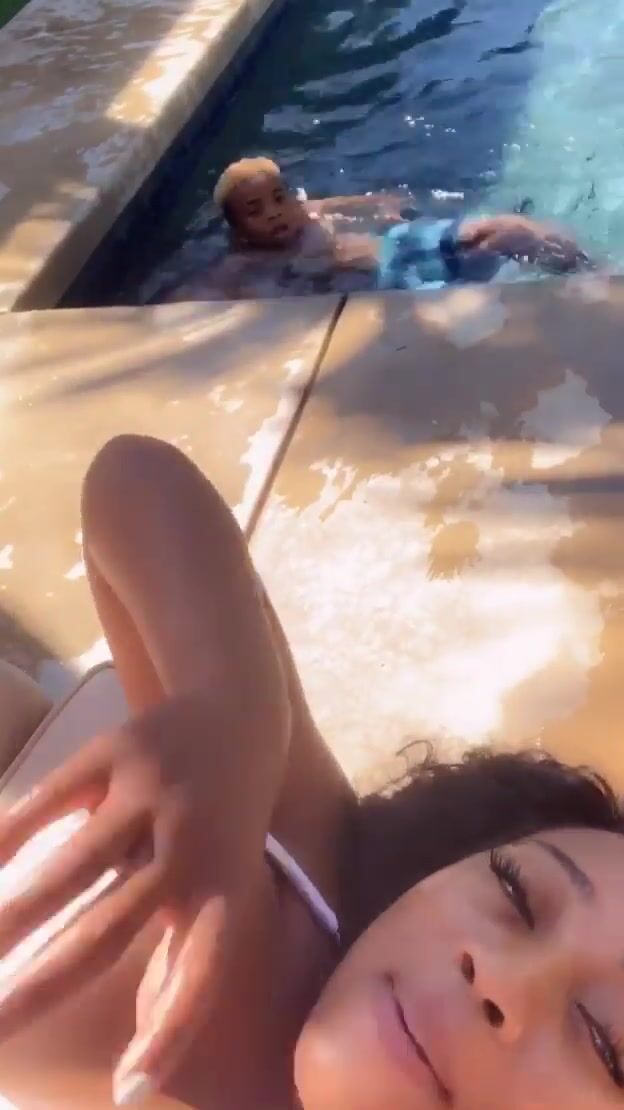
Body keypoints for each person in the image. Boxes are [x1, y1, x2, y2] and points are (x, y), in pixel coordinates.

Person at [0, 435, 621, 1110]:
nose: (496, 973)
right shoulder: (296, 889)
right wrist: (234, 703)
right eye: (516, 891)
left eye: (604, 1045)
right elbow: (138, 484)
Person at [178, 156, 592, 299]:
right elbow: (195, 295)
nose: (274, 212)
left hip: (402, 244)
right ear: (239, 230)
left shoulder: (305, 212)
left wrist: (383, 204)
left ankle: (597, 272)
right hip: (390, 285)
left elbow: (347, 204)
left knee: (513, 230)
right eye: (256, 210)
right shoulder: (243, 262)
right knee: (491, 265)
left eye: (278, 198)